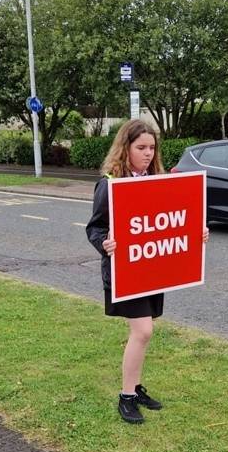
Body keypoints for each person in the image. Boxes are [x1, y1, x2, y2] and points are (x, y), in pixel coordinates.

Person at [85, 119, 209, 424]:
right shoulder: (110, 183)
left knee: (142, 333)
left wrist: (196, 233)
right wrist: (106, 243)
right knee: (143, 331)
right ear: (125, 148)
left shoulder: (157, 180)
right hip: (124, 273)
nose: (148, 153)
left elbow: (171, 219)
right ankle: (126, 397)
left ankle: (136, 387)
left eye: (152, 148)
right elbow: (95, 227)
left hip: (152, 269)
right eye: (141, 147)